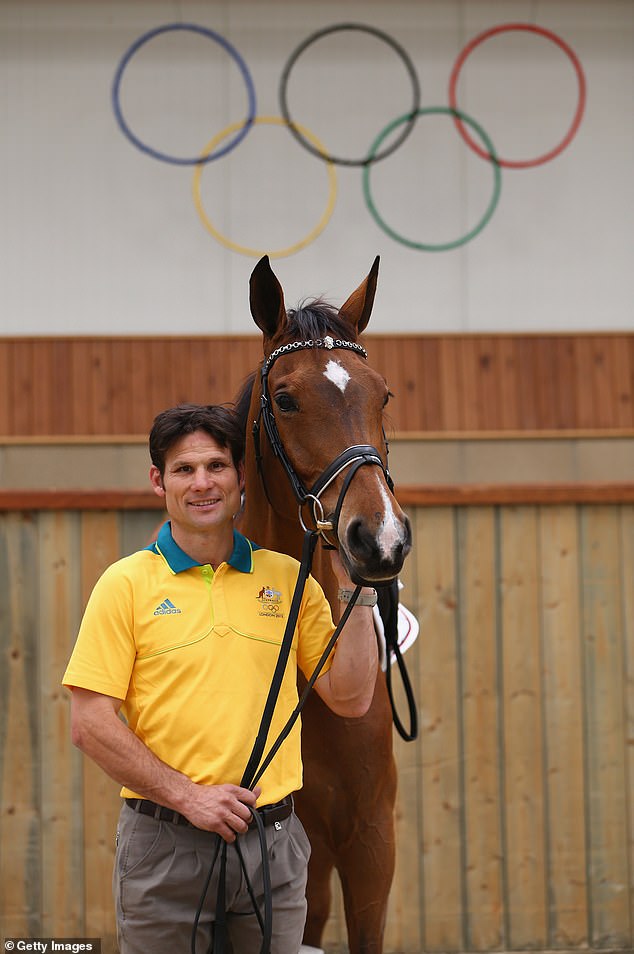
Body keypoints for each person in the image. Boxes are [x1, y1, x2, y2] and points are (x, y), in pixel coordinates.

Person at [63, 403, 379, 954]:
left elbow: (350, 698)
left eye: (217, 466)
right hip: (165, 845)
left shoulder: (290, 579)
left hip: (274, 846)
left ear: (240, 479)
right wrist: (189, 797)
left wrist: (357, 583)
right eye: (184, 470)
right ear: (159, 481)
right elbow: (89, 722)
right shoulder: (125, 585)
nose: (202, 483)